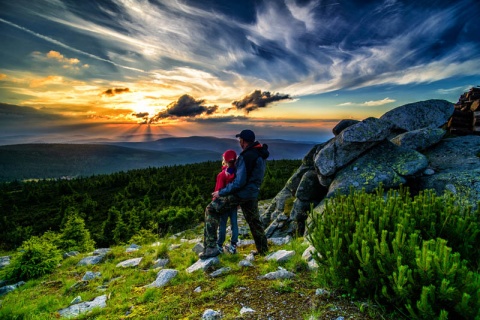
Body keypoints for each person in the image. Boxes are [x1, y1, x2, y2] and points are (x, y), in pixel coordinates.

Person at [200, 129, 269, 259]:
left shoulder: (245, 156)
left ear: (243, 141)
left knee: (211, 209)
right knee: (254, 221)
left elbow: (239, 182)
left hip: (241, 194)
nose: (239, 142)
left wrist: (221, 192)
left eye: (240, 140)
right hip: (252, 193)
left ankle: (210, 248)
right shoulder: (260, 154)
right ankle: (263, 249)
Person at [213, 149, 238, 254]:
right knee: (234, 223)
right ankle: (233, 245)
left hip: (223, 203)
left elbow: (218, 190)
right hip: (234, 202)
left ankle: (219, 245)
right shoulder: (238, 173)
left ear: (226, 160)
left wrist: (214, 202)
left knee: (222, 224)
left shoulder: (221, 175)